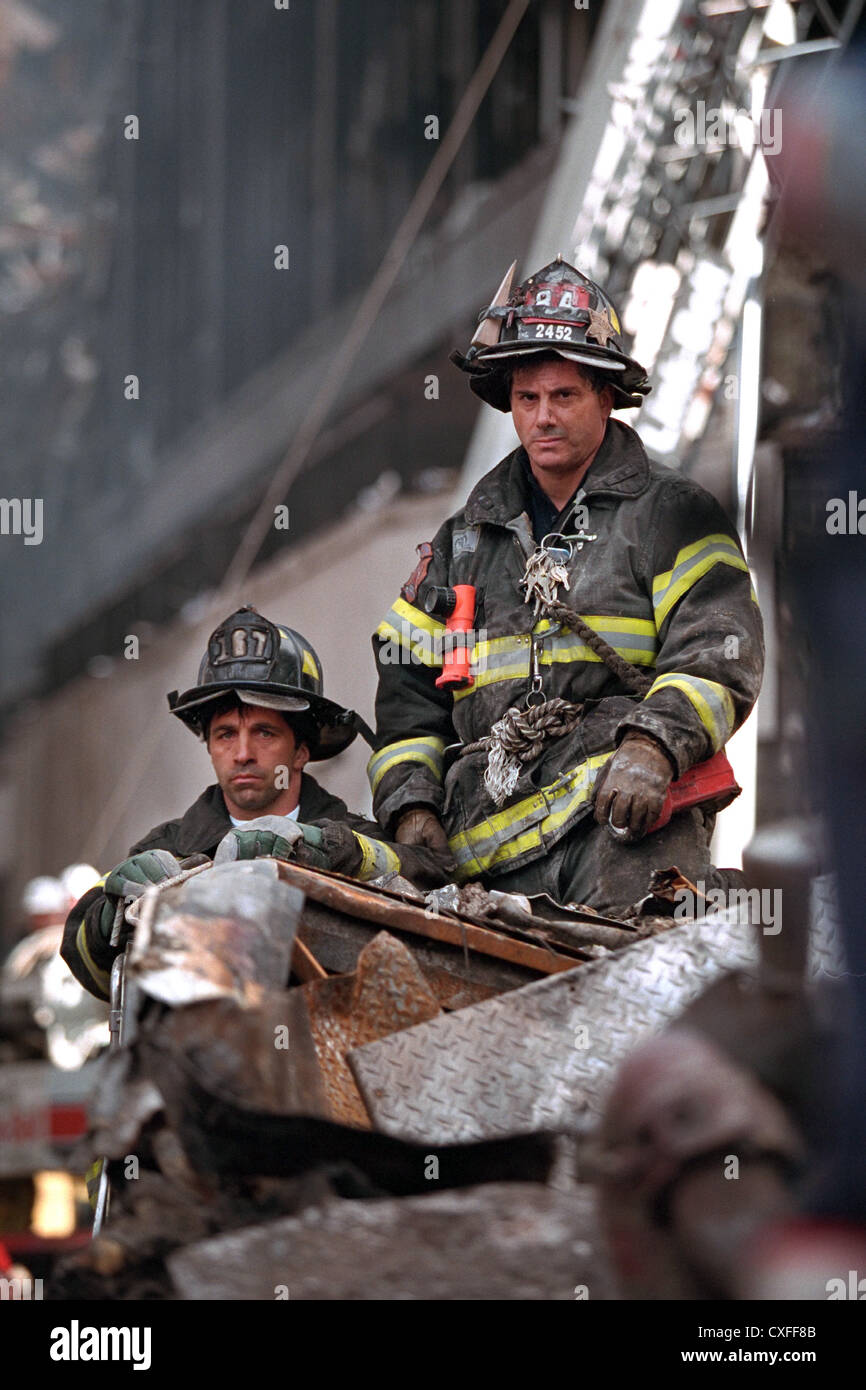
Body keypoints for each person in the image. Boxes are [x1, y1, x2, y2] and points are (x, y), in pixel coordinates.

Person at [369, 256, 764, 915]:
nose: (543, 417)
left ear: (607, 397)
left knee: (637, 998)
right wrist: (411, 806)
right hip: (484, 865)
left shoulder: (671, 515)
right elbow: (405, 693)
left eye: (564, 396)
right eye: (528, 399)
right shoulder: (460, 542)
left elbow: (720, 649)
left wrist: (652, 747)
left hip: (627, 831)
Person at [62, 605, 450, 999]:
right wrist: (110, 915)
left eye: (264, 733)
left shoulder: (353, 841)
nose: (242, 753)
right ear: (210, 747)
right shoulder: (168, 848)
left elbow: (437, 877)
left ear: (301, 750)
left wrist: (332, 854)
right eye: (226, 734)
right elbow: (86, 964)